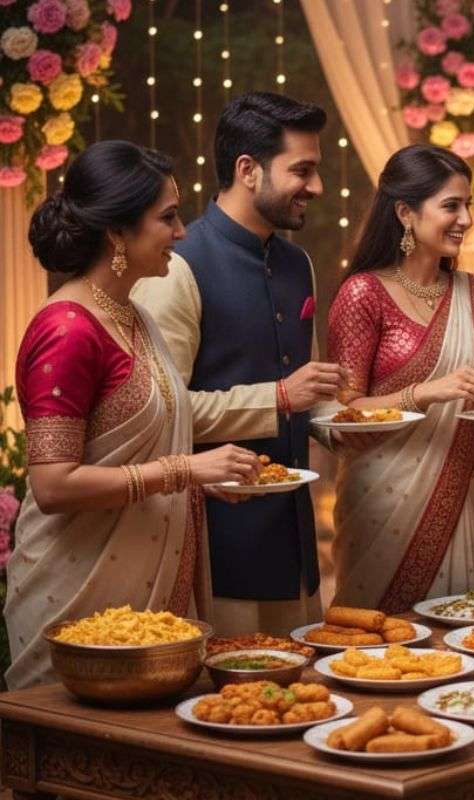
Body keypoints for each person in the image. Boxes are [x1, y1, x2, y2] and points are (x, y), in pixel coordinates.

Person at [5, 141, 261, 689]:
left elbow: (139, 444)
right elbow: (53, 485)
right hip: (76, 595)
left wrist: (201, 479)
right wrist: (184, 470)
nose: (182, 232)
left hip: (146, 594)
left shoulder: (135, 316)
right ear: (117, 233)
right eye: (167, 217)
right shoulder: (67, 329)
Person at [132, 93, 344, 636]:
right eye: (303, 170)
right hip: (216, 546)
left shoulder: (297, 263)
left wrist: (344, 426)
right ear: (248, 170)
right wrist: (279, 397)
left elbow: (308, 393)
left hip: (297, 546)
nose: (317, 187)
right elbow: (160, 414)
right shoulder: (176, 267)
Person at [326, 145, 474, 612]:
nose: (466, 219)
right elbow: (342, 414)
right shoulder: (364, 294)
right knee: (382, 639)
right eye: (451, 206)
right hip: (383, 501)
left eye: (468, 205)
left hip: (462, 490)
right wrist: (423, 393)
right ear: (406, 212)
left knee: (471, 630)